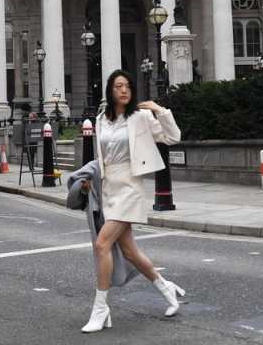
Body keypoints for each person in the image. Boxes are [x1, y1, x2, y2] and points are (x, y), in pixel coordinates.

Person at [75, 69, 184, 334]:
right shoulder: (101, 119)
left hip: (130, 188)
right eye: (118, 86)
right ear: (110, 91)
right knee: (130, 252)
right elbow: (102, 158)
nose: (124, 90)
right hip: (109, 189)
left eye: (127, 86)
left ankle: (101, 309)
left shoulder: (141, 117)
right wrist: (90, 179)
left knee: (102, 244)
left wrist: (160, 110)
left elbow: (173, 137)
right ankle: (166, 288)